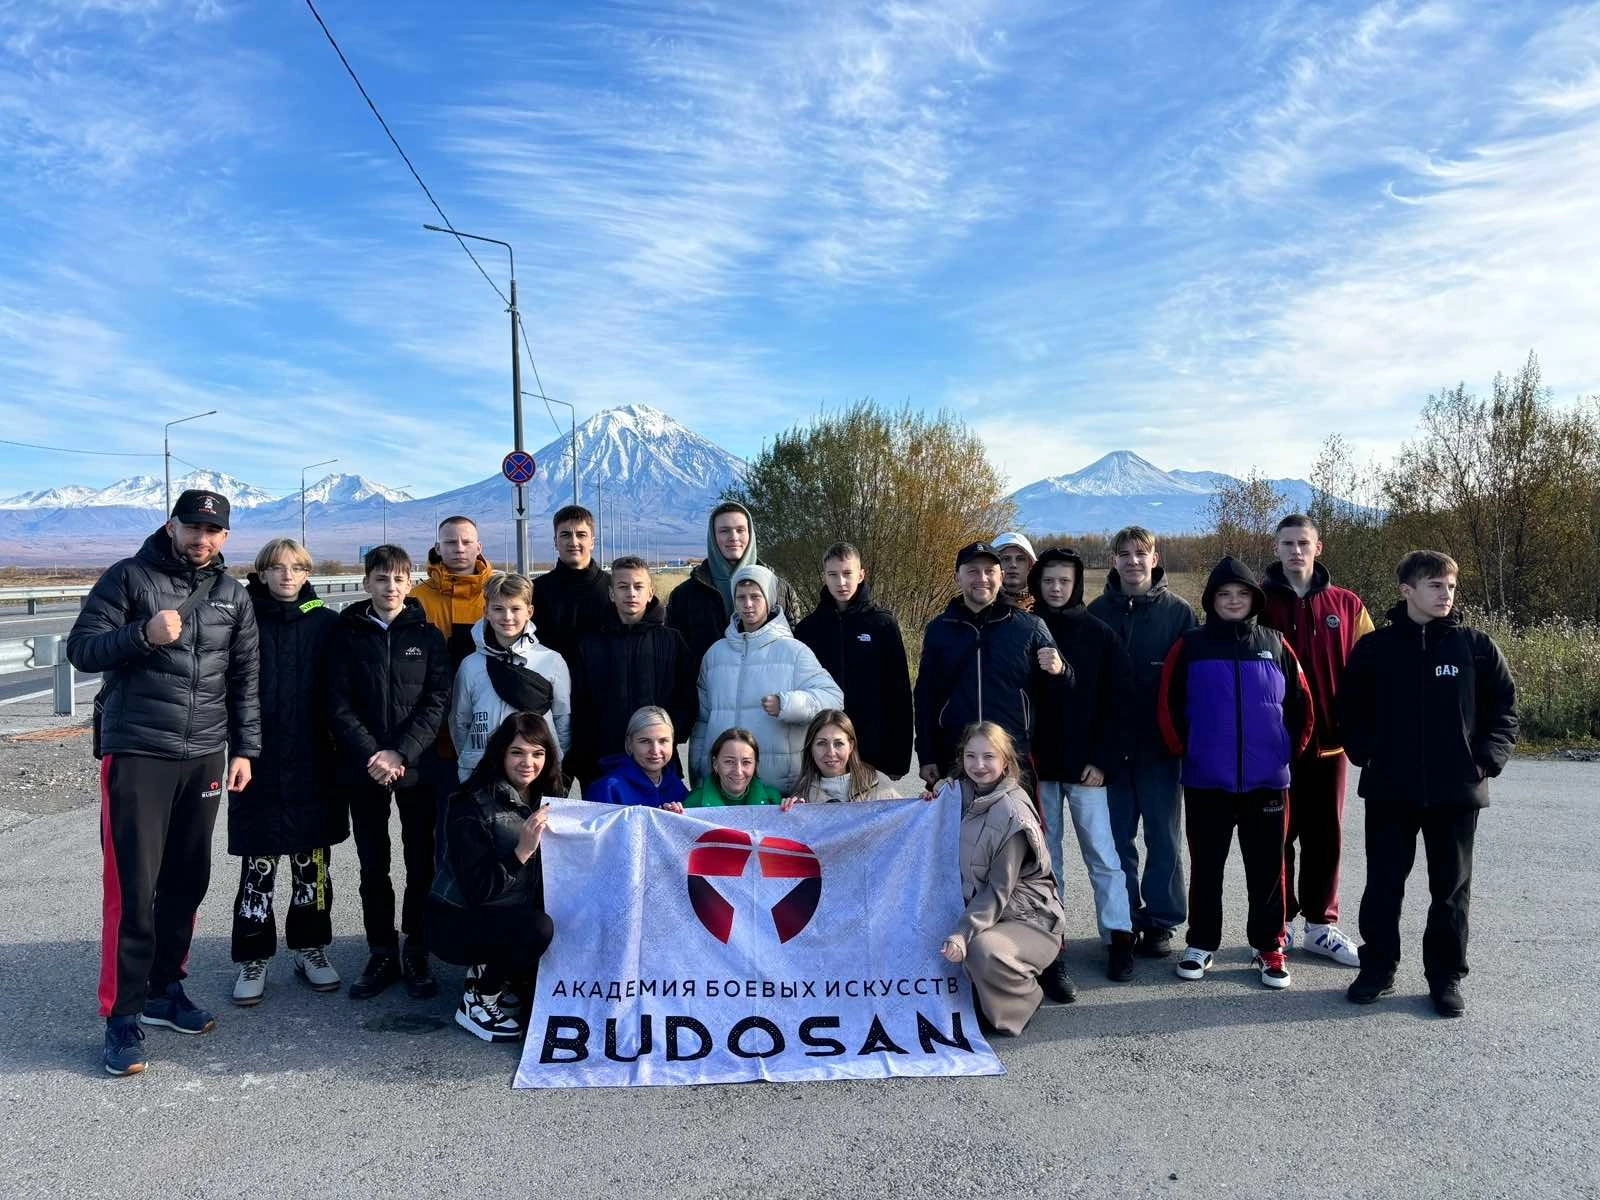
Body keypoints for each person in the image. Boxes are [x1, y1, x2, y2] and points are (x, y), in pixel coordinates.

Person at [67, 488, 261, 1077]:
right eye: (192, 526)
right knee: (133, 890)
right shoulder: (129, 578)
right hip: (139, 754)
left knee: (187, 882)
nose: (202, 538)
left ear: (225, 537)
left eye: (214, 530)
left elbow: (245, 679)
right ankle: (121, 1017)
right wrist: (141, 635)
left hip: (204, 756)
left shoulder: (233, 595)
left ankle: (163, 990)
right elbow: (82, 649)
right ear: (172, 525)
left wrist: (245, 748)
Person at [1339, 551, 1517, 1018]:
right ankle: (1377, 968)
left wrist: (1485, 761)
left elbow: (1505, 709)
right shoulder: (1376, 649)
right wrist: (1366, 753)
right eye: (1435, 585)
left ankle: (1445, 978)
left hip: (1455, 792)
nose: (1445, 594)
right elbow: (1349, 709)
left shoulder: (1475, 647)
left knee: (1451, 890)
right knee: (1383, 885)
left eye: (1450, 587)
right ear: (1407, 591)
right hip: (1390, 790)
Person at [1158, 557, 1313, 990]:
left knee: (1268, 868)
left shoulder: (1275, 644)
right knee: (1207, 867)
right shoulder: (1191, 645)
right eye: (1224, 595)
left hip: (1266, 782)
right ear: (1212, 600)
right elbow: (1168, 705)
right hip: (1208, 781)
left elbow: (1302, 706)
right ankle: (1201, 943)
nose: (1233, 601)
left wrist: (1285, 755)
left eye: (1241, 594)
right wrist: (1188, 753)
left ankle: (1269, 945)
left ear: (1254, 600)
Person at [327, 544, 452, 1002]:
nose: (391, 587)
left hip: (416, 767)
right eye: (381, 578)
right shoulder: (346, 633)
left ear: (410, 581)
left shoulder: (428, 633)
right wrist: (374, 755)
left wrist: (400, 752)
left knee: (420, 861)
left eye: (399, 578)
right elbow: (336, 703)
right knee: (372, 864)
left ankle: (417, 949)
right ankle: (381, 950)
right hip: (365, 769)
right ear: (367, 584)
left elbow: (436, 701)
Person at [229, 538, 344, 1007]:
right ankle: (253, 957)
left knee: (310, 864)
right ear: (260, 573)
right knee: (259, 864)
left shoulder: (326, 623)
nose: (287, 577)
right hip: (257, 762)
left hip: (316, 763)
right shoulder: (241, 620)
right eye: (276, 568)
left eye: (296, 568)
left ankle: (310, 949)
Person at [1260, 514, 1374, 967]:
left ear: (1318, 547)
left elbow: (1369, 671)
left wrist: (1364, 726)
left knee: (1326, 834)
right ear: (1277, 548)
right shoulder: (1259, 603)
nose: (1295, 551)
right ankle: (1280, 923)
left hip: (1330, 743)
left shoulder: (1346, 605)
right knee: (1278, 835)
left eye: (1303, 542)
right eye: (1287, 543)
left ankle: (1321, 926)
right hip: (1274, 745)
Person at [1026, 547, 1140, 982]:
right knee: (1046, 859)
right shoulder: (1026, 630)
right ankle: (1053, 940)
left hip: (1088, 768)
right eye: (1049, 580)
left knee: (1103, 855)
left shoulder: (1099, 634)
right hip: (1041, 768)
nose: (1056, 588)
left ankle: (1119, 935)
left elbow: (1120, 703)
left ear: (1076, 584)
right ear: (1039, 584)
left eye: (1064, 581)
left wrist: (1104, 760)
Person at [1087, 525, 1198, 959]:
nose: (1133, 561)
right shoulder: (1096, 612)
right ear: (1113, 560)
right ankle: (1125, 918)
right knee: (1116, 841)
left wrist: (1185, 738)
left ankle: (1161, 921)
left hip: (1160, 750)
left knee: (1164, 839)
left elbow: (1192, 683)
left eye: (1141, 553)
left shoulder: (1179, 613)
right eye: (1124, 553)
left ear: (1155, 559)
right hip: (1113, 752)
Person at [933, 722, 1073, 1035]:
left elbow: (998, 891)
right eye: (971, 756)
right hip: (988, 913)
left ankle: (1022, 998)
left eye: (989, 757)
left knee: (980, 950)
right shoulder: (958, 795)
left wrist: (962, 932)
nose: (979, 765)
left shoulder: (1014, 812)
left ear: (1006, 761)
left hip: (1028, 919)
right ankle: (985, 993)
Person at [427, 712, 559, 1043]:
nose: (528, 762)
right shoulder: (469, 804)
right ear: (500, 752)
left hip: (506, 906)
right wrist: (522, 852)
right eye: (517, 752)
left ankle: (495, 973)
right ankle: (479, 998)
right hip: (455, 919)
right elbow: (478, 889)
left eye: (537, 753)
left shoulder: (547, 795)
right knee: (538, 929)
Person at [914, 541, 1067, 795]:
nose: (982, 578)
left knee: (1015, 832)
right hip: (955, 757)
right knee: (956, 833)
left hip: (1012, 758)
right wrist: (926, 753)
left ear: (1002, 576)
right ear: (957, 578)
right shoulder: (939, 629)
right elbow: (925, 696)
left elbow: (1059, 693)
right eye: (972, 571)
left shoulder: (1029, 627)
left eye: (989, 571)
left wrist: (1061, 672)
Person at [689, 565, 843, 792]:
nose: (748, 604)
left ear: (768, 599)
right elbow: (702, 720)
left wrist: (788, 704)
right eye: (741, 597)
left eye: (755, 597)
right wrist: (700, 769)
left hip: (780, 788)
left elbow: (833, 698)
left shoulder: (794, 652)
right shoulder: (715, 655)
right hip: (724, 788)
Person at [567, 556, 695, 789]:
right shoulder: (588, 644)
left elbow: (688, 698)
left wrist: (667, 739)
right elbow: (578, 705)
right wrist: (586, 757)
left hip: (659, 765)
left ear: (650, 592)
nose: (631, 593)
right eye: (623, 587)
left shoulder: (672, 642)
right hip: (601, 766)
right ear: (611, 593)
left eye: (638, 586)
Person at [792, 542, 913, 779]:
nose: (841, 582)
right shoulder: (809, 629)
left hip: (873, 748)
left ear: (861, 575)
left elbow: (899, 693)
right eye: (833, 575)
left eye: (847, 573)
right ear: (823, 577)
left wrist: (899, 760)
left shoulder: (882, 624)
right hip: (825, 752)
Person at [449, 573, 572, 780]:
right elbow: (460, 720)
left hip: (533, 771)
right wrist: (470, 758)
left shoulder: (552, 661)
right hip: (482, 769)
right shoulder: (471, 665)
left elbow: (563, 719)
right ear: (486, 612)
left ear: (529, 612)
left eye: (515, 609)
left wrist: (553, 759)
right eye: (498, 609)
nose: (507, 617)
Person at [666, 501, 801, 667]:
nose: (734, 537)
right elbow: (676, 658)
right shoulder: (685, 595)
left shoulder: (779, 589)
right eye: (724, 531)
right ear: (713, 536)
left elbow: (794, 647)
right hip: (706, 689)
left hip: (767, 691)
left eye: (740, 530)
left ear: (750, 534)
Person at [530, 504, 612, 667]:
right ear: (555, 542)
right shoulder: (536, 591)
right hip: (549, 687)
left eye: (581, 535)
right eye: (565, 535)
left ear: (592, 542)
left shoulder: (614, 588)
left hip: (605, 688)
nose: (573, 542)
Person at [781, 710, 900, 807]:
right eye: (821, 743)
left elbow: (906, 823)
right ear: (810, 748)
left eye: (838, 743)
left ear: (851, 746)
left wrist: (919, 805)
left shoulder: (878, 783)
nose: (831, 752)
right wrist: (789, 814)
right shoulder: (802, 797)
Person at [585, 706, 691, 810]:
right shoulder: (607, 789)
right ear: (629, 743)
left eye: (663, 741)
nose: (655, 750)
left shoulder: (676, 786)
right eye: (645, 741)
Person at [683, 728, 784, 808]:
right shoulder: (694, 803)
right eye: (729, 762)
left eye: (746, 762)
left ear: (755, 765)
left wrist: (796, 807)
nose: (738, 771)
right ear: (715, 764)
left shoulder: (773, 800)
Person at [992, 531, 1037, 612]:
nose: (1013, 565)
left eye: (1020, 559)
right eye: (1005, 559)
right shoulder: (982, 607)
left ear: (1030, 565)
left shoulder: (1045, 606)